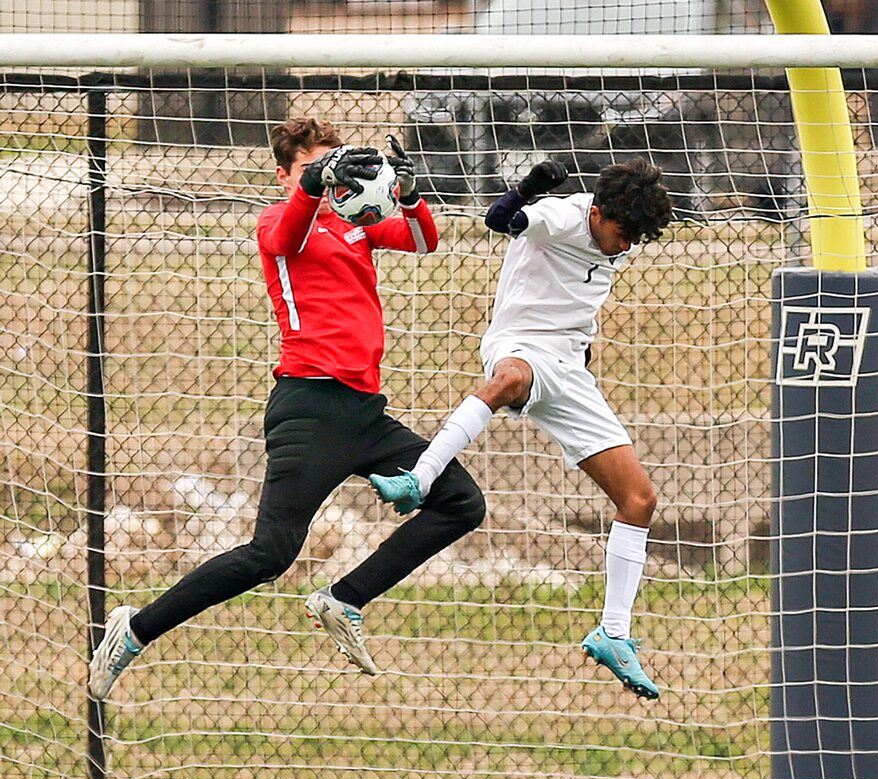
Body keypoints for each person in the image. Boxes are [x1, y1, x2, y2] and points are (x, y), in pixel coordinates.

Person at [88, 118, 486, 700]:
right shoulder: (280, 220)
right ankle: (136, 630)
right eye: (311, 169)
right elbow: (286, 236)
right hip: (309, 409)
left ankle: (345, 597)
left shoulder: (356, 225)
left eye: (333, 166)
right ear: (285, 174)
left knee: (461, 502)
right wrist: (314, 184)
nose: (328, 180)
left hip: (365, 416)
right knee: (270, 554)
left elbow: (424, 242)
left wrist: (409, 193)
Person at [368, 158, 674, 699]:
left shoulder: (611, 235)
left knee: (640, 501)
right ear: (598, 213)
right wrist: (529, 188)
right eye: (622, 234)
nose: (625, 247)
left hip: (571, 369)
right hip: (520, 346)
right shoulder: (562, 216)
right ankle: (419, 478)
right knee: (508, 381)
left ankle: (614, 633)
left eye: (636, 240)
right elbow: (500, 219)